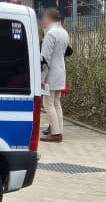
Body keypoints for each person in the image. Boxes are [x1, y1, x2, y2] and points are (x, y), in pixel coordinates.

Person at [40, 8, 69, 143]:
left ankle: (55, 133)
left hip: (51, 73)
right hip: (61, 71)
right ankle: (59, 131)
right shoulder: (64, 32)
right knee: (56, 102)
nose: (42, 20)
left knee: (48, 103)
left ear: (49, 18)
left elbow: (45, 58)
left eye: (44, 18)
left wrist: (41, 77)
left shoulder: (50, 34)